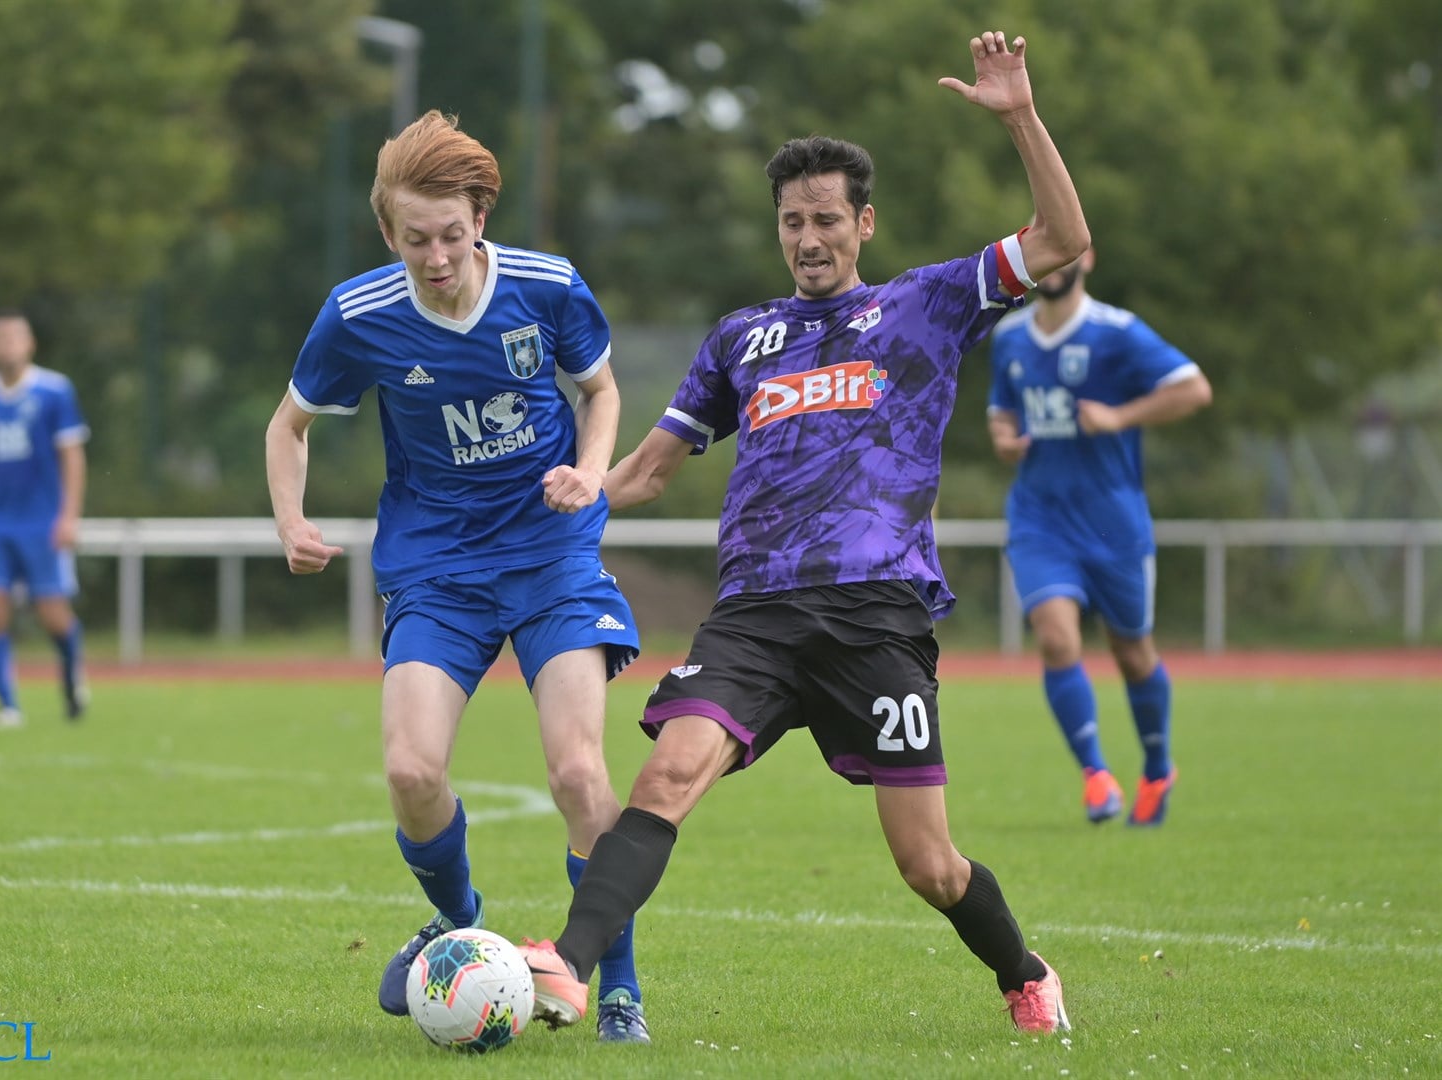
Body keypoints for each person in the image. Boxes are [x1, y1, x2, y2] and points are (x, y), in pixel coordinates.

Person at [519, 30, 1088, 1035]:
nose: (809, 237)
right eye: (793, 221)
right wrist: (585, 487)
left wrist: (1019, 119)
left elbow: (1060, 244)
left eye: (828, 218)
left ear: (864, 223)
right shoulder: (744, 338)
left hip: (877, 617)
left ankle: (1024, 971)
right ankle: (567, 963)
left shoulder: (927, 303)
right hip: (755, 619)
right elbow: (652, 467)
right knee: (667, 774)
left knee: (928, 864)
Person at [263, 111, 649, 1043]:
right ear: (387, 232)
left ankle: (617, 986)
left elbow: (600, 392)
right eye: (412, 238)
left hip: (552, 557)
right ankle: (459, 917)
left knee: (578, 773)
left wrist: (592, 471)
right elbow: (289, 426)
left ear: (479, 217)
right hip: (436, 569)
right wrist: (290, 521)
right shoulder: (359, 314)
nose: (434, 257)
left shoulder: (545, 288)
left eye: (449, 234)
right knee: (410, 769)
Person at [987, 245, 1211, 826]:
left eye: (1068, 255)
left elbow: (1193, 389)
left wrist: (1120, 416)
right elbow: (1001, 412)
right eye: (1048, 254)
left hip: (1114, 524)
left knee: (1132, 653)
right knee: (1057, 641)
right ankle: (1095, 775)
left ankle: (1158, 768)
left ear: (1087, 262)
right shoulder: (1010, 336)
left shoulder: (1118, 332)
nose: (1056, 266)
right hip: (1040, 518)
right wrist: (1005, 436)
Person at [0, 310, 91, 730]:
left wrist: (69, 516)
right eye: (0, 338)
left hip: (41, 521)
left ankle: (71, 676)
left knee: (52, 615)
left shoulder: (54, 391)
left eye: (16, 338)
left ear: (30, 344)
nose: (8, 345)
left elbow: (73, 456)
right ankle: (7, 704)